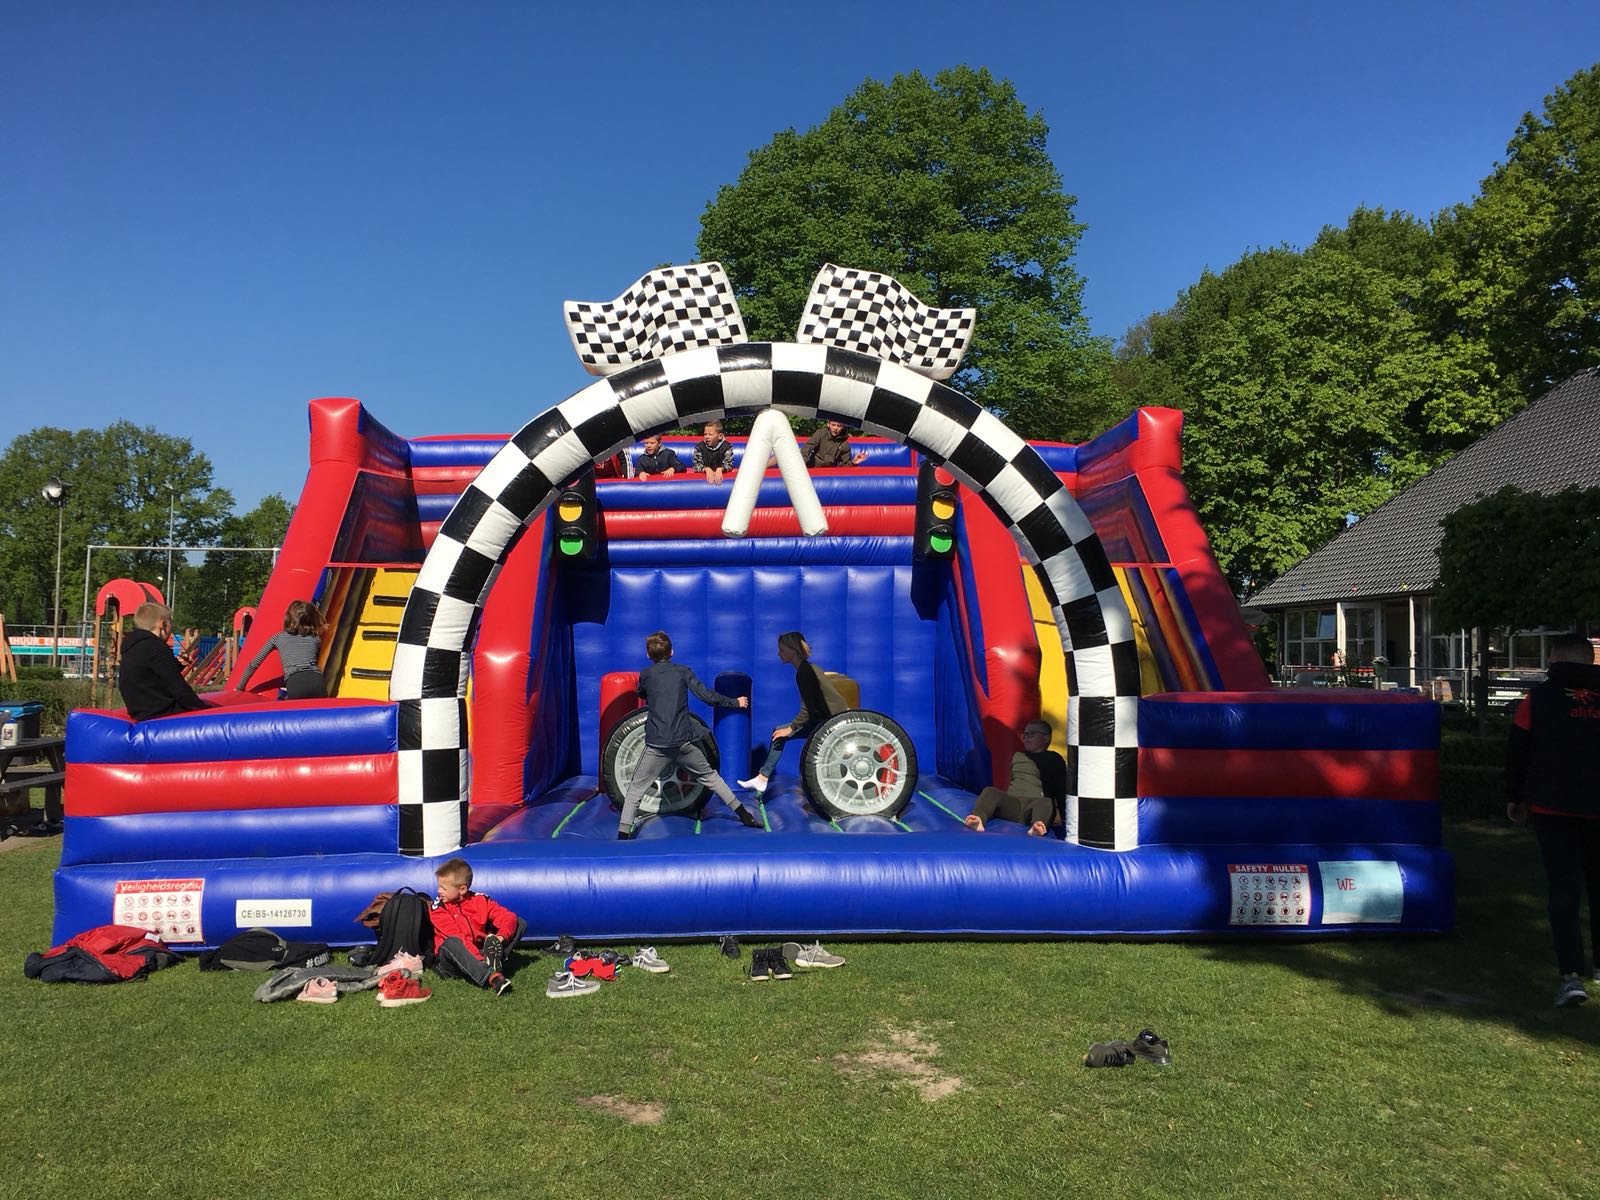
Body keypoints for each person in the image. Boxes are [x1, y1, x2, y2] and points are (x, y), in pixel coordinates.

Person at [1507, 633, 1600, 1008]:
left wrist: (1515, 797)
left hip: (1553, 807)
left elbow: (1517, 751)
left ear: (1555, 658)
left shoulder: (1537, 700)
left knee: (1563, 891)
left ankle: (1570, 976)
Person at [618, 631, 761, 839]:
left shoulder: (646, 674)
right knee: (712, 778)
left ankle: (622, 836)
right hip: (682, 743)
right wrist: (735, 703)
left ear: (649, 656)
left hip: (657, 746)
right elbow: (707, 696)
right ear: (672, 652)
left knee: (636, 790)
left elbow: (641, 692)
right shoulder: (683, 671)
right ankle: (744, 815)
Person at [738, 631, 850, 795]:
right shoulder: (808, 668)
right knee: (779, 731)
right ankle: (762, 778)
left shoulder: (805, 672)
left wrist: (791, 728)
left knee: (780, 733)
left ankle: (762, 778)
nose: (779, 654)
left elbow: (808, 709)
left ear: (793, 650)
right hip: (830, 719)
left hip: (829, 722)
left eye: (782, 650)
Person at [430, 857, 524, 997]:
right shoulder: (438, 908)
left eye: (443, 888)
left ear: (462, 889)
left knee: (519, 922)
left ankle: (491, 960)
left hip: (478, 951)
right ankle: (493, 977)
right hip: (451, 961)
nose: (438, 891)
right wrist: (480, 960)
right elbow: (459, 938)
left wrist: (500, 937)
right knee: (453, 942)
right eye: (439, 886)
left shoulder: (480, 900)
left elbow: (507, 917)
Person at [963, 719, 1067, 837]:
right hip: (1015, 803)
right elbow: (1014, 781)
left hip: (1035, 804)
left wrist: (1065, 819)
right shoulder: (1018, 756)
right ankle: (978, 819)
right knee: (990, 791)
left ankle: (1037, 826)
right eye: (1025, 734)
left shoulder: (1053, 758)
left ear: (1046, 738)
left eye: (1032, 734)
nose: (1027, 737)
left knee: (1047, 801)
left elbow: (1061, 789)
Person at [118, 602, 214, 721]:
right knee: (214, 708)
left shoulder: (132, 646)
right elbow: (178, 688)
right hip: (162, 712)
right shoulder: (156, 646)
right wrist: (204, 709)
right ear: (163, 624)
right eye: (170, 623)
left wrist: (177, 665)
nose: (171, 629)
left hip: (139, 711)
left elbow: (149, 675)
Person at [239, 600, 328, 700]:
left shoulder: (278, 638)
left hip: (296, 682)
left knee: (296, 714)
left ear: (288, 618)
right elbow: (314, 662)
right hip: (317, 681)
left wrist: (240, 687)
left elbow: (254, 664)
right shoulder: (315, 639)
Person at [802, 420, 868, 468]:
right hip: (812, 467)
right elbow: (808, 447)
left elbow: (844, 467)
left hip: (828, 473)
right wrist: (802, 461)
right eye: (833, 425)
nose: (835, 428)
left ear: (843, 427)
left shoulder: (844, 444)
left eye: (839, 426)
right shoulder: (820, 433)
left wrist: (853, 463)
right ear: (828, 424)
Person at [692, 420, 733, 486]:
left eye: (710, 434)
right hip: (705, 477)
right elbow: (696, 465)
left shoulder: (726, 447)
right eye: (705, 434)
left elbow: (729, 464)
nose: (707, 437)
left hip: (721, 473)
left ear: (720, 436)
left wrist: (720, 469)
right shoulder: (699, 447)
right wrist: (706, 469)